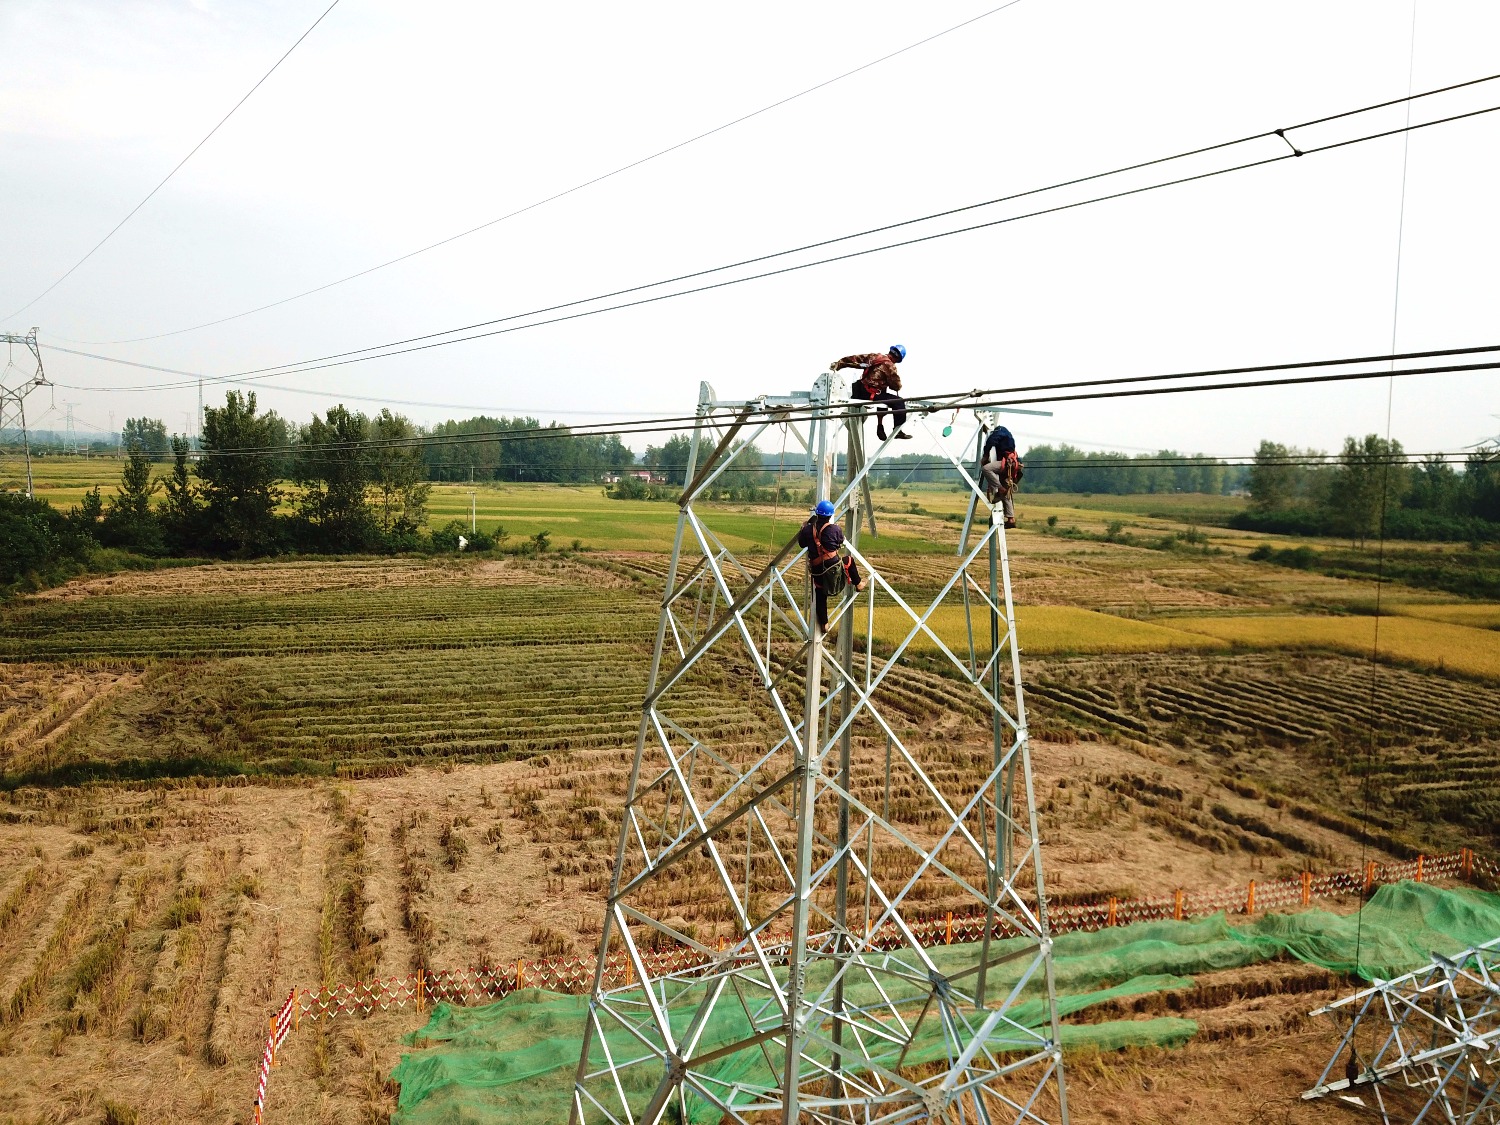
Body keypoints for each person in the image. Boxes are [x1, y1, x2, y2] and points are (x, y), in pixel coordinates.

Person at [798, 499, 865, 632]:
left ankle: (825, 624)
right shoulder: (835, 529)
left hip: (817, 570)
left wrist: (803, 528)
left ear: (817, 514)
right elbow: (840, 541)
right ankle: (858, 584)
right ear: (830, 515)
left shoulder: (807, 530)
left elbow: (802, 544)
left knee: (820, 594)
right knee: (849, 560)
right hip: (833, 567)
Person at [830, 345, 910, 440]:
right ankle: (898, 430)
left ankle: (880, 425)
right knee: (899, 402)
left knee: (883, 394)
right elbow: (897, 386)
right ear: (898, 359)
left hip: (860, 392)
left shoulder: (874, 357)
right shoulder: (890, 366)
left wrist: (839, 364)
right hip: (871, 394)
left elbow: (855, 359)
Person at [980, 426, 1023, 530]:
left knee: (986, 469)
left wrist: (986, 455)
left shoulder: (1000, 432)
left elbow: (991, 440)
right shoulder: (1008, 437)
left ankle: (1000, 488)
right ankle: (1011, 519)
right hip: (1013, 466)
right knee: (1006, 492)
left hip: (1007, 464)